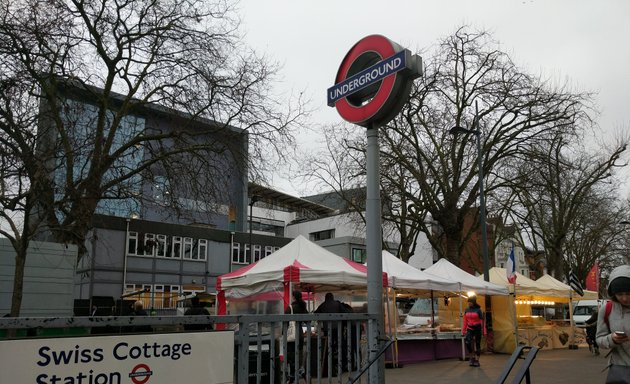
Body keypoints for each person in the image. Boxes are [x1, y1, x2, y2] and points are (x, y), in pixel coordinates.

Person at [596, 265, 630, 383]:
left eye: (628, 293)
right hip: (620, 370)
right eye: (619, 294)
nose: (625, 298)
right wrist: (612, 339)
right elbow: (599, 339)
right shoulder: (606, 310)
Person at [284, 290, 308, 382]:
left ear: (293, 297)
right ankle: (301, 372)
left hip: (291, 337)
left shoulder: (290, 308)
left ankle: (292, 376)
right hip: (300, 335)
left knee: (291, 357)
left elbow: (285, 322)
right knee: (299, 355)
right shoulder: (303, 307)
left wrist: (284, 333)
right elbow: (307, 320)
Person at [462, 295, 485, 367]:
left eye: (470, 302)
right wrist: (463, 330)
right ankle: (471, 358)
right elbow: (465, 321)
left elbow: (482, 322)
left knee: (477, 344)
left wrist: (484, 331)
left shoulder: (478, 310)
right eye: (468, 302)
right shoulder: (466, 310)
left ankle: (477, 360)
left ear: (473, 302)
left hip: (477, 328)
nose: (469, 303)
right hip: (470, 328)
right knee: (468, 342)